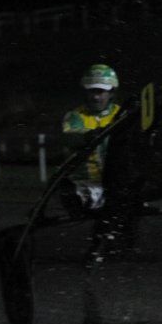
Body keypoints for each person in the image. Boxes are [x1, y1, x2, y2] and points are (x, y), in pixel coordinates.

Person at [60, 63, 121, 212]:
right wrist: (88, 135)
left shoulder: (122, 115)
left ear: (112, 92)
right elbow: (69, 137)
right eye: (92, 91)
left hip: (118, 182)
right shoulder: (75, 116)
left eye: (101, 91)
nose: (95, 97)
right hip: (85, 183)